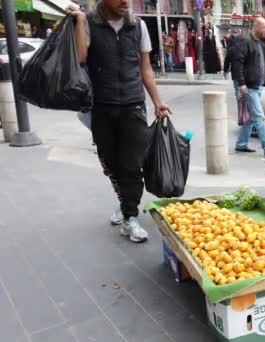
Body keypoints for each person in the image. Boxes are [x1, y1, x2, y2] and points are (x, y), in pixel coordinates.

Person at [67, 0, 172, 243]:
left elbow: (145, 68)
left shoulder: (138, 26)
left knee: (132, 165)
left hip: (133, 104)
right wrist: (81, 20)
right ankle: (125, 203)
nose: (126, 2)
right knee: (110, 164)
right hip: (101, 107)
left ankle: (131, 217)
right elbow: (81, 56)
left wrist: (157, 101)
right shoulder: (90, 23)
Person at [231, 17, 265, 158]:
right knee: (259, 117)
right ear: (256, 26)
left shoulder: (260, 44)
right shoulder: (245, 42)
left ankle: (241, 144)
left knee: (251, 119)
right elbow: (237, 63)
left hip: (257, 86)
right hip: (250, 87)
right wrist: (241, 83)